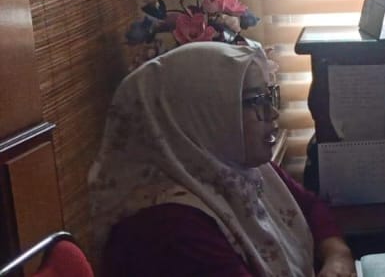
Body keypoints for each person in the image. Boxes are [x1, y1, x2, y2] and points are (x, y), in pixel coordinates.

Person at [90, 42, 356, 277]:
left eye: (269, 96)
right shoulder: (169, 228)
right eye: (254, 101)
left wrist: (338, 255)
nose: (272, 113)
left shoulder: (239, 170)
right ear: (197, 116)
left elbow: (310, 206)